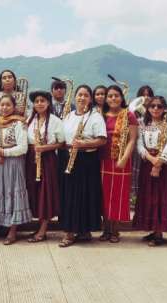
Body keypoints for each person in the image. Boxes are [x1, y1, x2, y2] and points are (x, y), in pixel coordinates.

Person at [59, 85, 107, 247]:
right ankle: (70, 231)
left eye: (86, 95)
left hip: (87, 160)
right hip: (69, 158)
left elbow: (102, 140)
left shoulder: (95, 116)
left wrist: (83, 143)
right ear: (75, 98)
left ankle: (82, 230)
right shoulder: (69, 115)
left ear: (90, 99)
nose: (82, 98)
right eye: (79, 95)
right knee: (70, 196)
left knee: (85, 195)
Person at [0, 94, 31, 245]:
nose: (4, 108)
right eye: (1, 105)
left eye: (8, 105)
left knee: (13, 193)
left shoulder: (18, 124)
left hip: (13, 163)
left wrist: (4, 153)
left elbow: (23, 148)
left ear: (14, 107)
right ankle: (1, 225)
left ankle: (13, 229)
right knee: (1, 193)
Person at [133, 97, 167, 246]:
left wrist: (159, 162)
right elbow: (139, 144)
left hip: (164, 164)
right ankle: (152, 229)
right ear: (148, 108)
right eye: (152, 106)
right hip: (147, 163)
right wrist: (151, 160)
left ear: (165, 108)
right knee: (149, 196)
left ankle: (159, 232)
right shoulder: (143, 124)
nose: (156, 109)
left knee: (161, 196)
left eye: (159, 106)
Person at [99, 85, 138, 242]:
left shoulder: (129, 115)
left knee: (117, 195)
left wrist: (124, 158)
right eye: (110, 96)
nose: (113, 98)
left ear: (121, 98)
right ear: (106, 99)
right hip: (102, 160)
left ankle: (115, 230)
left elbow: (133, 139)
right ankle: (106, 229)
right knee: (103, 195)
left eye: (116, 95)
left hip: (121, 161)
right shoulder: (101, 115)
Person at [25, 90, 65, 243]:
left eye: (43, 101)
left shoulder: (55, 120)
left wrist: (45, 148)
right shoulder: (30, 119)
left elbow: (61, 143)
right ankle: (39, 226)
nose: (39, 103)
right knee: (34, 192)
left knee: (45, 193)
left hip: (47, 160)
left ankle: (43, 229)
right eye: (37, 101)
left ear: (48, 103)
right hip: (31, 159)